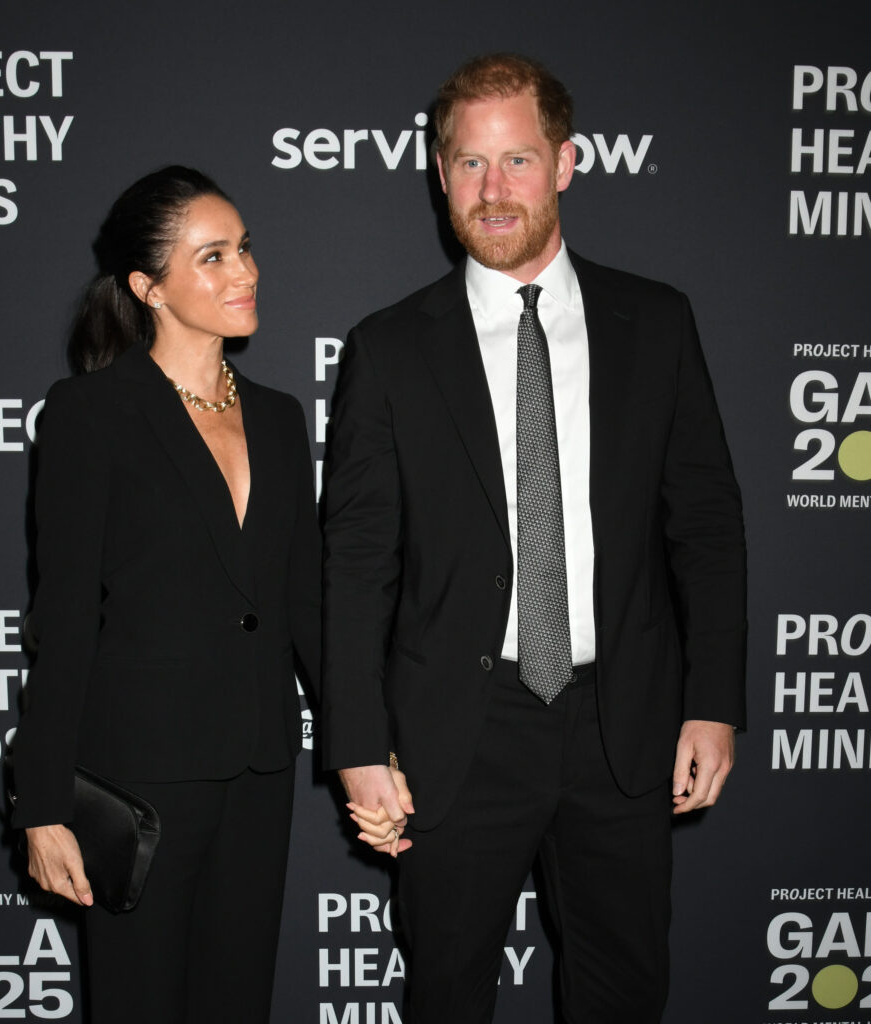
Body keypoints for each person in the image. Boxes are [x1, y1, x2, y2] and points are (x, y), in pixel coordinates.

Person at [321, 54, 745, 1023]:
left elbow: (707, 526)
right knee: (446, 994)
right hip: (457, 731)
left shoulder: (656, 322)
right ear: (440, 175)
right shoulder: (389, 347)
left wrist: (713, 703)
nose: (493, 190)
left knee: (623, 991)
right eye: (470, 164)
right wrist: (357, 743)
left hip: (623, 722)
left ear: (565, 162)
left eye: (516, 159)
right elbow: (355, 565)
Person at [9, 165, 320, 1023]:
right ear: (148, 288)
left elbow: (306, 605)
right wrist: (42, 806)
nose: (245, 271)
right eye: (212, 256)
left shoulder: (281, 417)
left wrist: (364, 748)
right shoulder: (90, 413)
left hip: (260, 768)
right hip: (141, 778)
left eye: (244, 248)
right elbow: (64, 619)